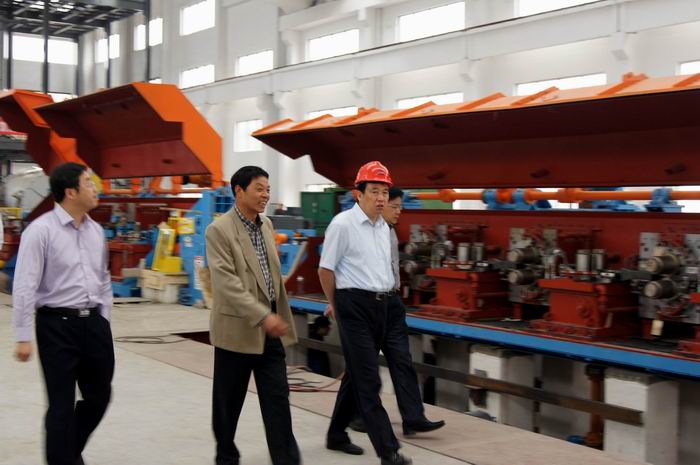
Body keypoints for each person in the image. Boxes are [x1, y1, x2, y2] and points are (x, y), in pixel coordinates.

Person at [13, 162, 114, 465]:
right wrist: (23, 336)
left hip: (94, 324)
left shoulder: (96, 231)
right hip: (57, 325)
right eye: (88, 183)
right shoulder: (40, 231)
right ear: (71, 192)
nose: (95, 188)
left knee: (99, 397)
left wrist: (104, 320)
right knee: (61, 405)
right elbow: (25, 284)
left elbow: (103, 279)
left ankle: (67, 452)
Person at [319, 161, 412, 465]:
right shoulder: (343, 224)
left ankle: (336, 434)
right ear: (358, 193)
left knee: (356, 375)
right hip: (353, 306)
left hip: (382, 306)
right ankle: (388, 450)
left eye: (384, 191)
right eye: (374, 191)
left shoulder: (383, 227)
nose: (381, 198)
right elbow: (325, 269)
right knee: (370, 379)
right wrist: (335, 303)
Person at [206, 165, 300, 465]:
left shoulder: (267, 225)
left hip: (270, 330)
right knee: (228, 403)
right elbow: (227, 284)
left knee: (278, 399)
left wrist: (275, 313)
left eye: (268, 189)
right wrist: (262, 315)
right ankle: (226, 457)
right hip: (238, 330)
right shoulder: (219, 230)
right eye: (259, 188)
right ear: (239, 191)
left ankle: (286, 459)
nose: (265, 195)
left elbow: (271, 276)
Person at [350, 187, 445, 436]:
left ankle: (413, 417)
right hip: (368, 304)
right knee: (365, 364)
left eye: (401, 207)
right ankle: (357, 415)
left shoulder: (389, 232)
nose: (399, 211)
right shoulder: (359, 232)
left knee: (402, 360)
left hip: (392, 304)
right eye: (395, 206)